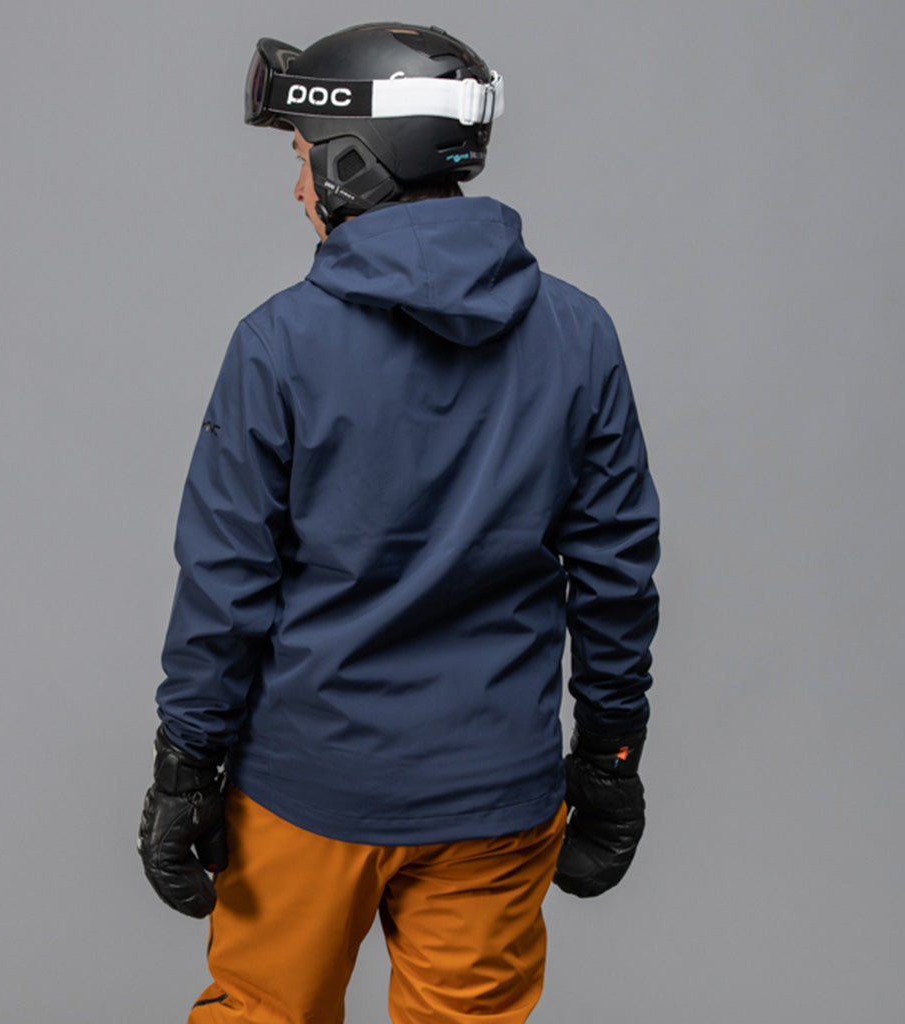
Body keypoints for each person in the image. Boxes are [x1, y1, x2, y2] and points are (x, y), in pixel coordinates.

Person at [138, 22, 659, 1024]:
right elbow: (615, 572)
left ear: (353, 162)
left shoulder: (279, 342)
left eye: (302, 156)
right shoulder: (579, 332)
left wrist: (185, 766)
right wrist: (610, 754)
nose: (297, 187)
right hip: (493, 795)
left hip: (306, 788)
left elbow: (226, 580)